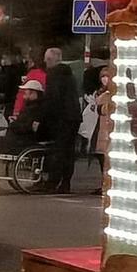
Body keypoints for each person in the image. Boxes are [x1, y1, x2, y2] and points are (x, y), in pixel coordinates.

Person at [35, 46, 82, 194]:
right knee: (68, 151)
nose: (46, 62)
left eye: (48, 59)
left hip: (62, 117)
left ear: (55, 59)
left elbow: (52, 99)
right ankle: (65, 183)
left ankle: (52, 182)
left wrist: (41, 119)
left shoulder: (54, 74)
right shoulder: (68, 74)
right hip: (73, 116)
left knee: (58, 151)